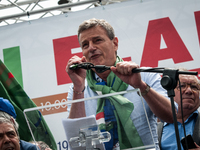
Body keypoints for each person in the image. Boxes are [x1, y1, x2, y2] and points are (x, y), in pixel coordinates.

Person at [66, 18, 173, 150]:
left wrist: (140, 86)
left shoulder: (143, 75)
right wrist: (78, 87)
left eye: (97, 40)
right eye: (85, 45)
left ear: (115, 43)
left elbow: (172, 116)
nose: (91, 48)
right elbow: (75, 141)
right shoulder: (78, 88)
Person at [157, 71, 200, 150]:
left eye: (194, 87)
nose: (189, 91)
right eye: (182, 86)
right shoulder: (155, 127)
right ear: (169, 92)